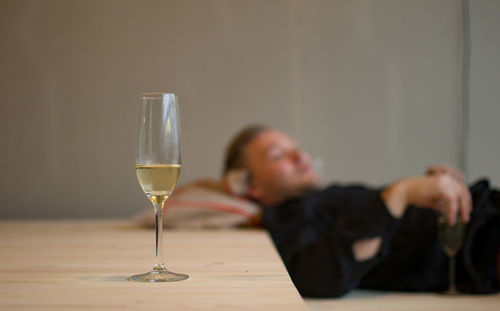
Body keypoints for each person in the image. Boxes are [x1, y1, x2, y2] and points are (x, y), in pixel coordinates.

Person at [222, 125, 500, 297]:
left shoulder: (325, 197)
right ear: (251, 185)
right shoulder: (287, 218)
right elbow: (323, 278)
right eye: (278, 155)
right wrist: (400, 194)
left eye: (296, 148)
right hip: (481, 243)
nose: (300, 156)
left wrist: (429, 192)